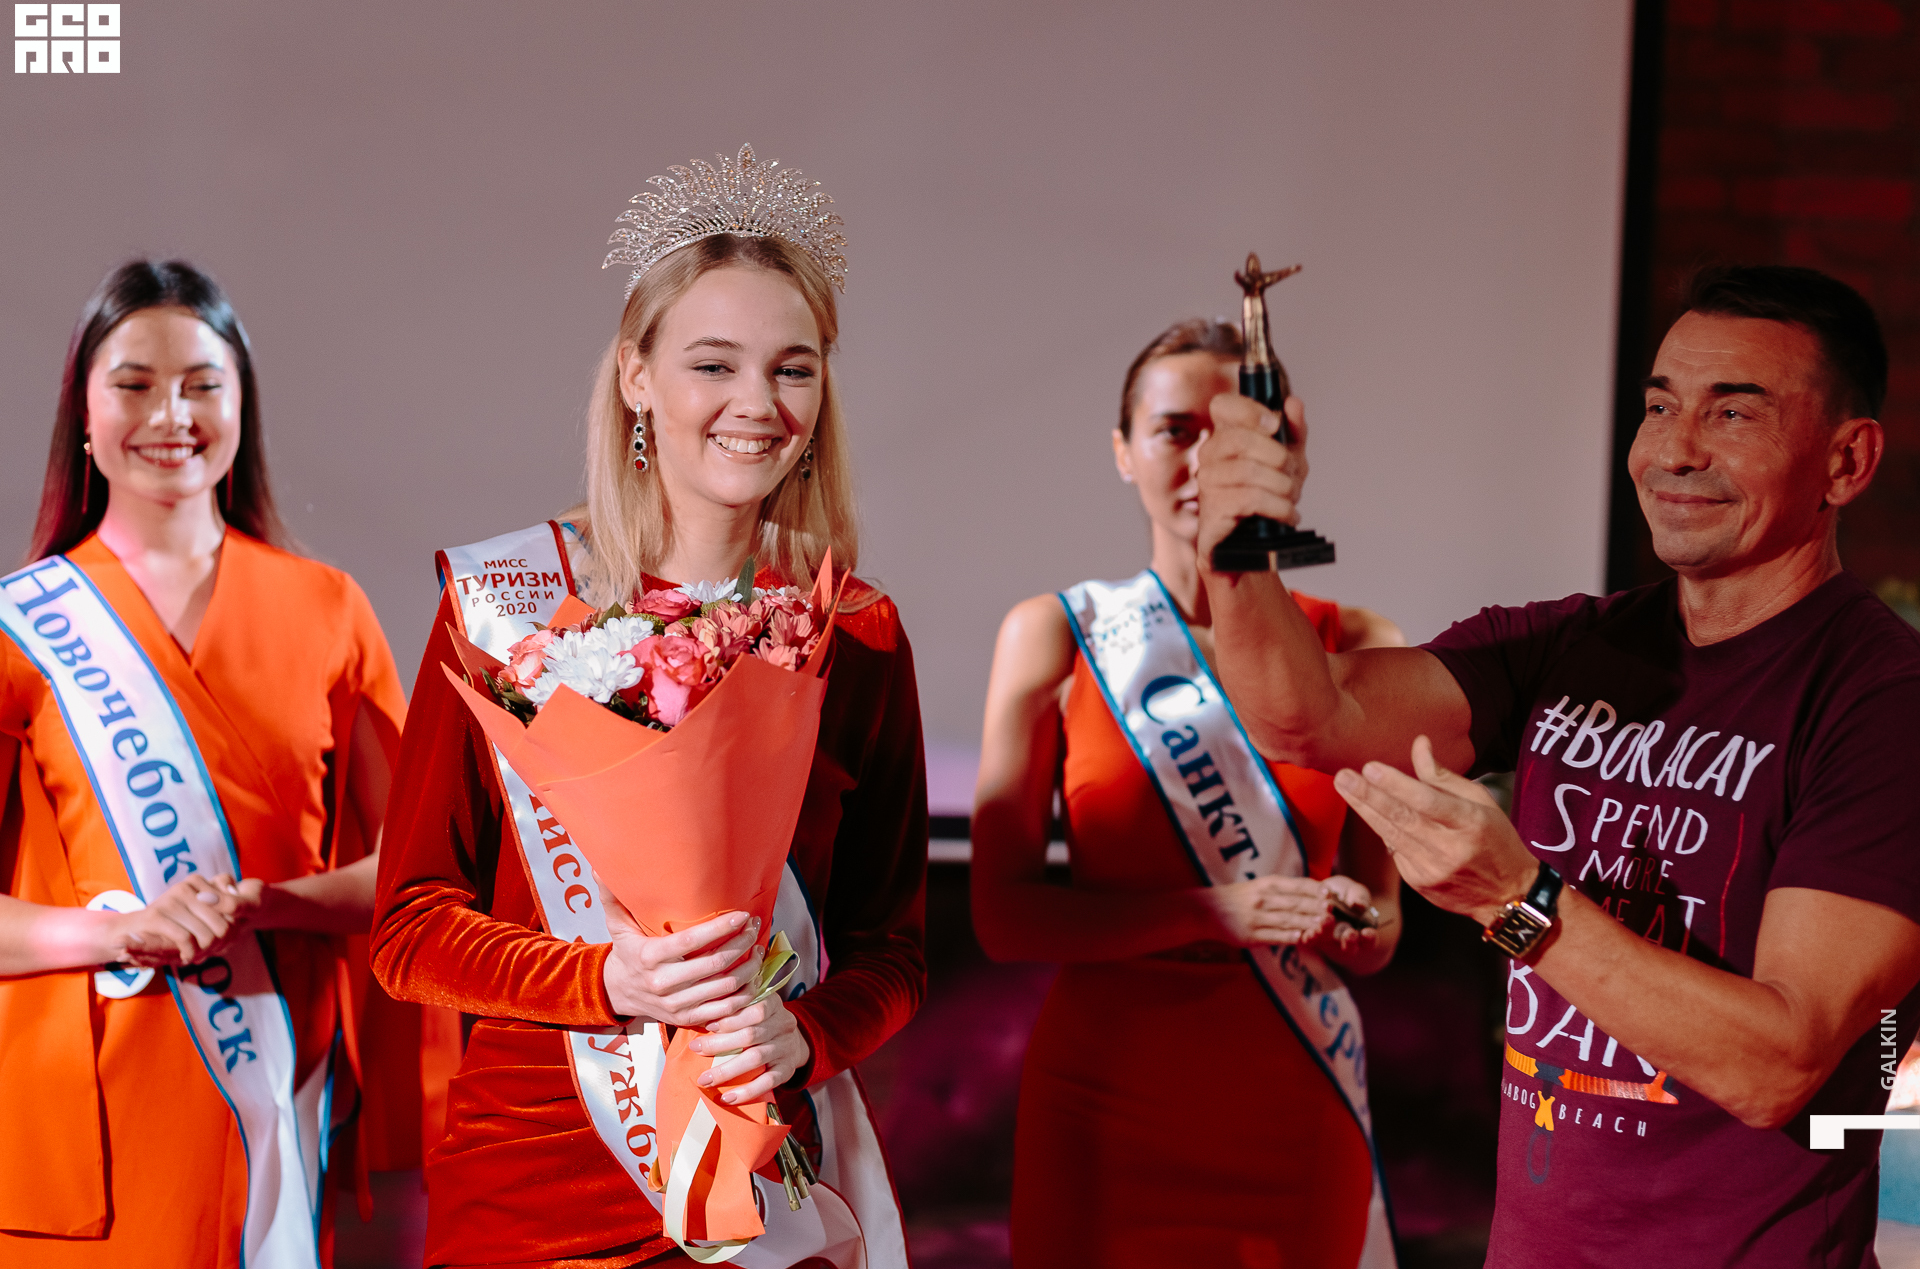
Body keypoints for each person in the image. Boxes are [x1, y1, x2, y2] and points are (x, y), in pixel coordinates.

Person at [1194, 264, 1920, 1266]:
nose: (1675, 450)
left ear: (1846, 461)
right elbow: (1307, 717)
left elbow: (1779, 1066)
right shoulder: (1572, 643)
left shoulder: (1883, 701)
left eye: (1733, 413)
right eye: (1659, 406)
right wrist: (1236, 548)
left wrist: (1517, 901)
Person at [370, 145, 926, 1269]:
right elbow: (408, 928)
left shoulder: (855, 632)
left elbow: (894, 951)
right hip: (533, 1189)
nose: (757, 405)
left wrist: (805, 1035)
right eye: (713, 364)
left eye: (793, 369)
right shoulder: (505, 607)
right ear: (636, 375)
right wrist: (603, 979)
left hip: (755, 1174)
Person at [0, 260, 447, 1268]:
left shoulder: (327, 608)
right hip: (81, 1116)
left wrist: (269, 904)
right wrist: (118, 929)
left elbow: (418, 870)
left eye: (203, 383)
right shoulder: (20, 626)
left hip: (274, 1087)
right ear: (83, 414)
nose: (172, 414)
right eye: (135, 384)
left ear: (242, 404)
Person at [973, 317, 1407, 1269]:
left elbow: (1382, 929)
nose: (1207, 459)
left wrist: (1352, 920)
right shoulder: (1057, 634)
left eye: (1236, 431)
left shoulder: (1362, 646)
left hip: (1294, 1097)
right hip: (1102, 1104)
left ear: (1285, 449)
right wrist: (1215, 912)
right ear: (1123, 451)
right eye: (1174, 430)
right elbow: (1003, 918)